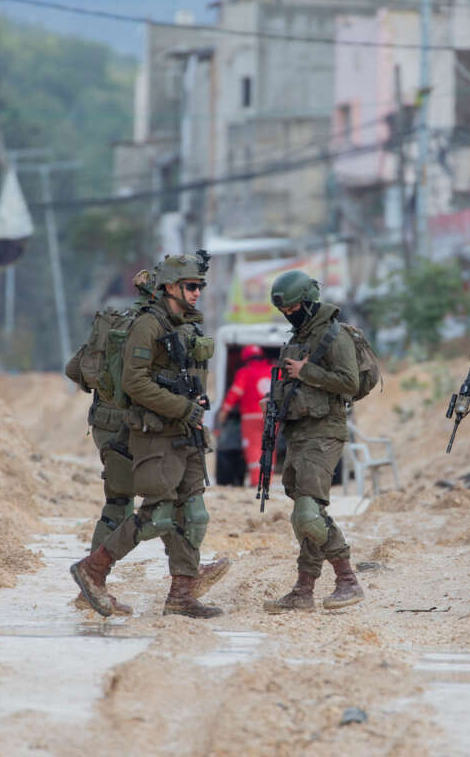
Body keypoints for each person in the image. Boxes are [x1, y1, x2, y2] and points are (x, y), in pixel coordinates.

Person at [70, 253, 229, 618]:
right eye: (191, 286)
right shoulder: (148, 325)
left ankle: (182, 594)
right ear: (170, 287)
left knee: (195, 513)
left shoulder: (183, 325)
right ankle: (94, 568)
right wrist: (183, 407)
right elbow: (135, 382)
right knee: (159, 514)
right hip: (156, 432)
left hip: (185, 430)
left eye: (200, 287)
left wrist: (196, 400)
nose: (196, 293)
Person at [261, 269, 364, 613]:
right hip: (298, 433)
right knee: (306, 514)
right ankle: (303, 590)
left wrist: (306, 372)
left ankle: (347, 579)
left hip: (324, 431)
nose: (289, 314)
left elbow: (348, 382)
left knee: (308, 514)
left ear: (308, 300)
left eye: (293, 307)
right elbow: (293, 383)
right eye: (284, 310)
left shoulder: (333, 335)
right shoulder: (297, 336)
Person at [216, 345, 273, 487]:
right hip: (271, 416)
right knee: (270, 447)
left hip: (250, 418)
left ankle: (256, 481)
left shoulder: (245, 372)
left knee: (254, 449)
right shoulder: (273, 370)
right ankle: (267, 482)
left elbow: (235, 393)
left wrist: (224, 412)